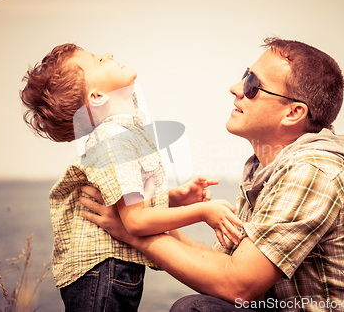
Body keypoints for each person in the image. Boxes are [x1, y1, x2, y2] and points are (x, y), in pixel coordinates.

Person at [79, 37, 344, 311]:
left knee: (193, 310)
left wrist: (132, 234)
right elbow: (226, 267)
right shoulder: (267, 169)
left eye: (253, 85)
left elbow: (237, 286)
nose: (235, 89)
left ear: (294, 112)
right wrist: (144, 219)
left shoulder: (311, 174)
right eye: (245, 76)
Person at [19, 43, 243, 312]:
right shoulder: (115, 140)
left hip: (107, 270)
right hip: (101, 273)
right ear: (98, 96)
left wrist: (173, 198)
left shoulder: (121, 134)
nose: (110, 54)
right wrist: (203, 211)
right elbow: (136, 221)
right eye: (99, 60)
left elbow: (128, 204)